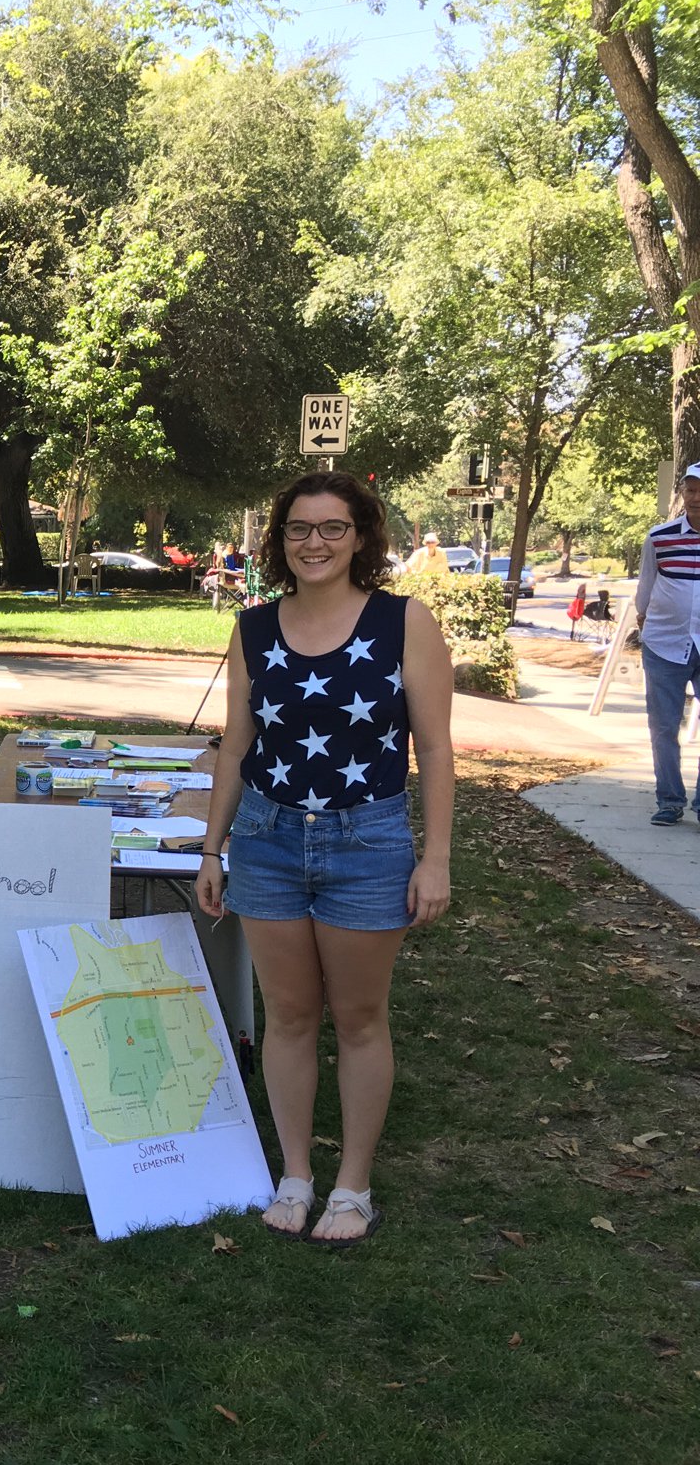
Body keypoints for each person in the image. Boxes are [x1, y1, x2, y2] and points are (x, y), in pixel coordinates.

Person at [195, 470, 454, 1248]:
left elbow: (436, 750)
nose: (314, 543)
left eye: (332, 528)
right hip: (268, 841)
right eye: (299, 529)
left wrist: (435, 858)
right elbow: (237, 746)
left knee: (360, 1018)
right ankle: (297, 1174)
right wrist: (213, 848)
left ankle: (354, 1186)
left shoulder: (406, 623)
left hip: (369, 843)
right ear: (279, 541)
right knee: (291, 1016)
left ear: (361, 536)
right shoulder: (252, 628)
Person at [634, 463, 700, 826]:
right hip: (664, 645)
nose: (695, 498)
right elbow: (645, 587)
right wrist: (643, 622)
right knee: (663, 726)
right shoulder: (660, 537)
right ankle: (670, 800)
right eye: (690, 490)